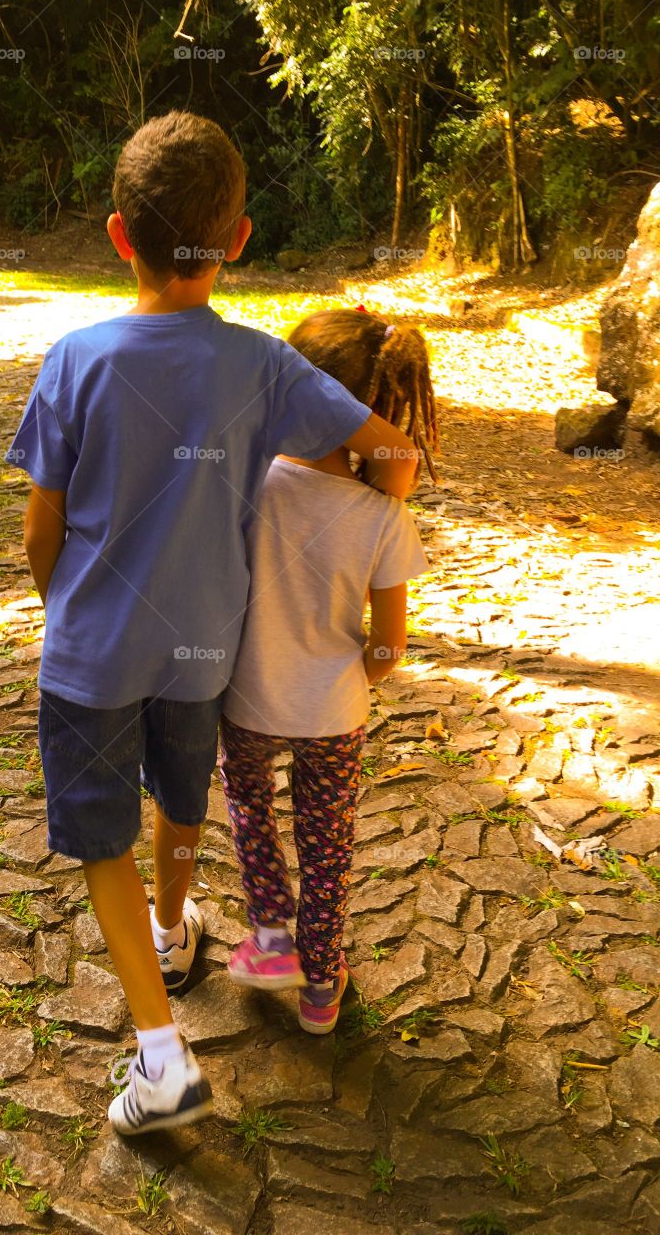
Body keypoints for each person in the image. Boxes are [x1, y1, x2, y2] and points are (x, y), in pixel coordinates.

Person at [6, 113, 420, 1134]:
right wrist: (360, 520)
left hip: (96, 649)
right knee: (180, 792)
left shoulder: (76, 359)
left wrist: (65, 604)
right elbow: (389, 449)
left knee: (103, 834)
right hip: (203, 650)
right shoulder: (261, 367)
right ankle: (174, 921)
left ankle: (160, 1053)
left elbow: (40, 532)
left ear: (117, 234)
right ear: (236, 241)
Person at [220, 307, 437, 1035]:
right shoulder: (381, 517)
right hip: (334, 713)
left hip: (244, 699)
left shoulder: (243, 485)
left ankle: (271, 937)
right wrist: (356, 678)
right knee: (327, 842)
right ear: (381, 409)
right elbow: (388, 646)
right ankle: (321, 988)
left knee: (249, 806)